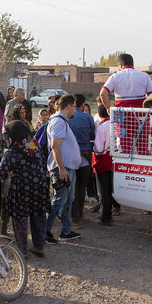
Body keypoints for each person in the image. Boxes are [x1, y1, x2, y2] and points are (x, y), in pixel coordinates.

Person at [0, 121, 48, 258]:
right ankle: (39, 248)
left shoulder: (12, 152)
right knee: (38, 216)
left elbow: (1, 171)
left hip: (21, 188)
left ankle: (23, 251)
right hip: (39, 187)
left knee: (20, 219)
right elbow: (43, 163)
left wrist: (9, 174)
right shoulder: (34, 147)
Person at [100, 53, 152, 154]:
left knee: (124, 148)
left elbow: (103, 93)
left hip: (122, 118)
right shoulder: (144, 76)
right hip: (141, 117)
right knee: (144, 148)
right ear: (132, 64)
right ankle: (144, 168)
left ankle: (123, 168)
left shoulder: (115, 77)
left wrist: (108, 108)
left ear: (120, 65)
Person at [45, 94, 82, 243]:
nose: (75, 110)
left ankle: (65, 231)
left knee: (67, 200)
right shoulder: (58, 122)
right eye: (74, 107)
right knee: (59, 200)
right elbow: (55, 146)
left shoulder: (61, 121)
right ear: (68, 106)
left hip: (67, 168)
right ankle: (45, 232)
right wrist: (61, 169)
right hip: (63, 168)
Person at [68, 94, 95, 224]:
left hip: (71, 155)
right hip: (85, 154)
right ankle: (80, 214)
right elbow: (92, 135)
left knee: (73, 185)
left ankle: (74, 215)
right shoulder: (88, 117)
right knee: (82, 186)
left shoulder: (68, 118)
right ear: (83, 104)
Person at [92, 105, 118, 225]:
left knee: (102, 190)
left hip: (102, 161)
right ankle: (110, 213)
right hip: (113, 160)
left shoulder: (101, 128)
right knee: (109, 188)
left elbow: (98, 148)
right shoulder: (116, 125)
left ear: (99, 115)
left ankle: (105, 217)